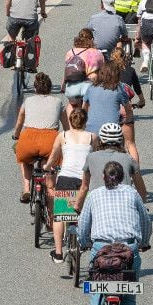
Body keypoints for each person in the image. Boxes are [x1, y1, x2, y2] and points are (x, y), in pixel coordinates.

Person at [77, 161, 152, 305]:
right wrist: (144, 242)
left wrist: (84, 243)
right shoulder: (131, 193)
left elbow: (83, 224)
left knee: (95, 275)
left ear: (103, 177)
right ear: (122, 176)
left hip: (101, 248)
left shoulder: (94, 195)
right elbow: (145, 220)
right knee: (128, 300)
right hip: (128, 250)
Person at [45, 106, 97, 263]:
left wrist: (47, 168)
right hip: (84, 180)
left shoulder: (63, 136)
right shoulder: (92, 137)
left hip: (66, 178)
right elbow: (94, 157)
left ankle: (59, 252)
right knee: (85, 213)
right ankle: (86, 241)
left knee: (60, 216)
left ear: (71, 121)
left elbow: (54, 157)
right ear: (85, 121)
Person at [12, 72, 65, 203]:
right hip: (50, 140)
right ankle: (50, 189)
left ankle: (26, 189)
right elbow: (67, 126)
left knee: (24, 158)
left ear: (35, 89)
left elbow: (19, 122)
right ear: (50, 89)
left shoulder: (28, 101)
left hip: (29, 139)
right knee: (50, 162)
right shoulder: (58, 102)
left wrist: (16, 135)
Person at [75, 123, 147, 211]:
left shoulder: (91, 157)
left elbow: (84, 187)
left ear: (101, 140)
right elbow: (141, 190)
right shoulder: (129, 158)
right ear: (121, 139)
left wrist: (77, 207)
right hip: (123, 206)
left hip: (98, 206)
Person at [82, 60, 138, 162]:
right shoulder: (119, 89)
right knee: (119, 153)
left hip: (92, 130)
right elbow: (128, 110)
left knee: (90, 156)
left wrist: (85, 123)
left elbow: (84, 108)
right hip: (111, 131)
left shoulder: (91, 87)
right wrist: (126, 120)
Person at [63, 28, 105, 106]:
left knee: (71, 106)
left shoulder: (70, 52)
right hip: (90, 86)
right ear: (92, 40)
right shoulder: (97, 53)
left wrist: (63, 86)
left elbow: (68, 70)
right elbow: (103, 72)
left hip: (73, 85)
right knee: (90, 106)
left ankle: (70, 117)